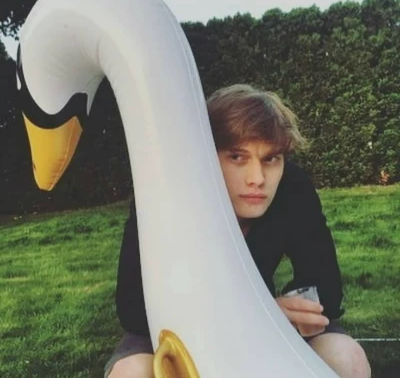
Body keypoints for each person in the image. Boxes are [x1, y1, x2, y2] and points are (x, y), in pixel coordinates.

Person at [105, 84, 371, 378]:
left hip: (270, 321)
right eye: (237, 157)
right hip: (173, 326)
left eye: (270, 159)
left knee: (347, 358)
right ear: (206, 156)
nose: (257, 179)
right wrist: (259, 313)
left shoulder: (292, 188)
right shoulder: (164, 192)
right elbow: (133, 310)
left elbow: (326, 290)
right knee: (131, 372)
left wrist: (279, 316)